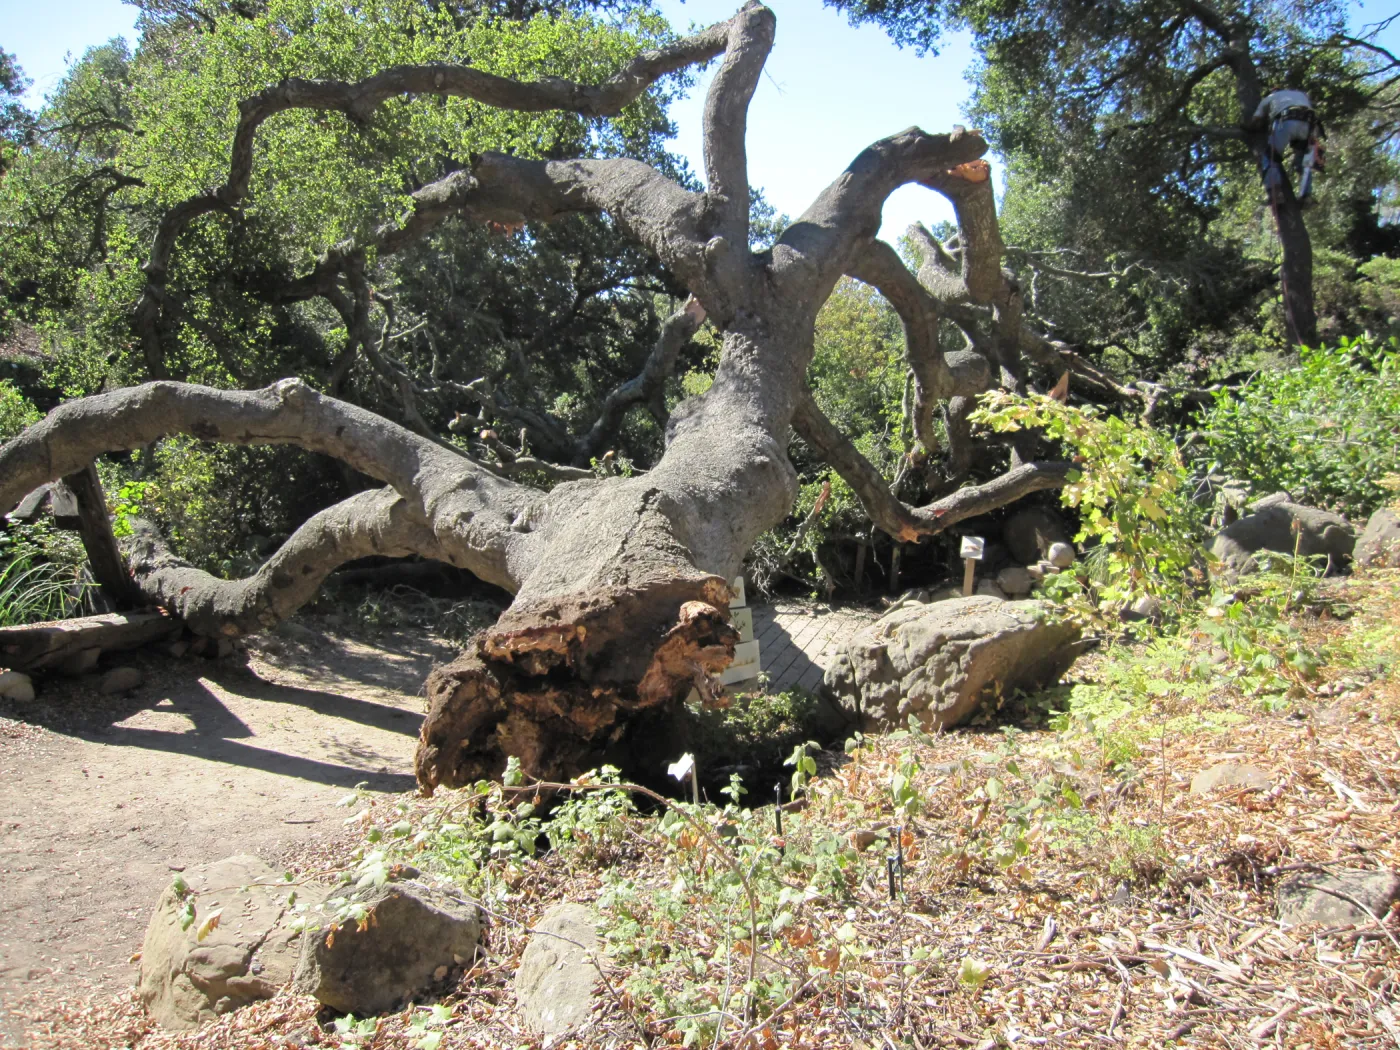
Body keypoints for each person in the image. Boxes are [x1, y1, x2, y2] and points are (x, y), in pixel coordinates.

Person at [1254, 87, 1323, 203]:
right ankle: (1306, 196)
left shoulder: (1270, 97)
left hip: (1285, 121)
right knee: (1304, 160)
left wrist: (1249, 127)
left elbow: (1255, 119)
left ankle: (1276, 194)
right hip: (1307, 124)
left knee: (1270, 156)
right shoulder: (1300, 94)